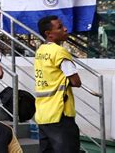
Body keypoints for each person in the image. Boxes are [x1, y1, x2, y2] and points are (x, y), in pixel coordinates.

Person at [35, 15, 81, 152]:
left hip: (43, 114)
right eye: (60, 27)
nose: (65, 29)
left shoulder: (40, 51)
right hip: (60, 113)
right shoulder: (59, 52)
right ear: (49, 34)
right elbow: (76, 81)